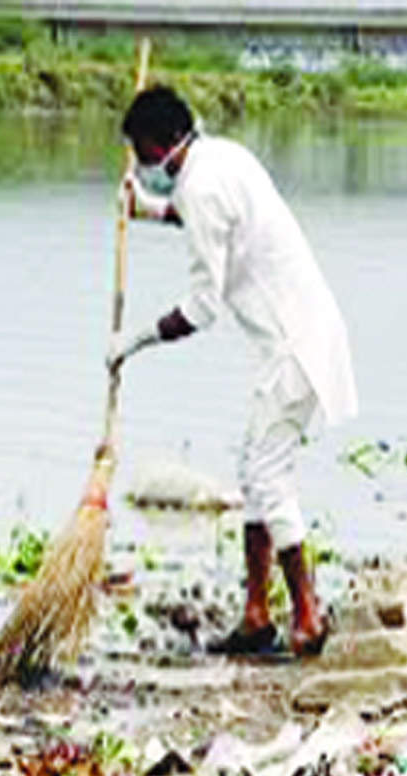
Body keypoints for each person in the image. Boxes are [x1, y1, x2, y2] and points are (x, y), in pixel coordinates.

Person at [110, 86, 357, 657]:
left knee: (267, 478)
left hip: (296, 347)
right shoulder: (223, 157)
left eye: (142, 152)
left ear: (163, 141)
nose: (143, 164)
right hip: (298, 338)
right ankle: (255, 615)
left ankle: (307, 619)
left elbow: (202, 309)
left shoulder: (200, 185)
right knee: (254, 473)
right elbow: (207, 224)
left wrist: (132, 341)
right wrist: (148, 210)